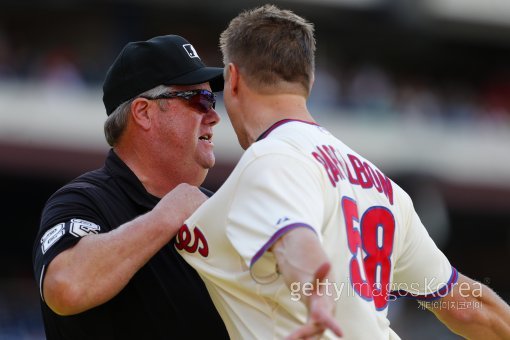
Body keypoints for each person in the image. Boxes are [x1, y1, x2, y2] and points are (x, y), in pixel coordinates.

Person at [175, 5, 510, 340]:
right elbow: (469, 307)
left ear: (232, 78)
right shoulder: (386, 188)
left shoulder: (271, 158)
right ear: (310, 81)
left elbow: (296, 241)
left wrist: (315, 295)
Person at [32, 34, 229, 339]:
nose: (214, 117)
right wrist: (168, 214)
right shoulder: (83, 200)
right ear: (143, 112)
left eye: (213, 101)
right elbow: (65, 287)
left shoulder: (219, 209)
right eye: (199, 100)